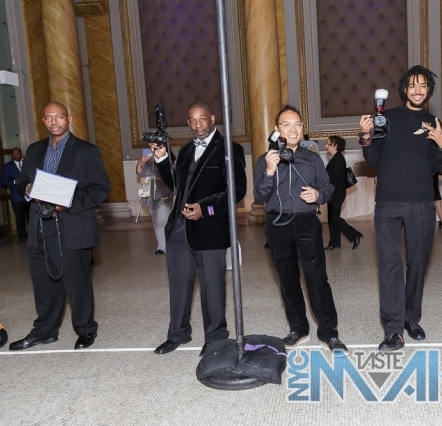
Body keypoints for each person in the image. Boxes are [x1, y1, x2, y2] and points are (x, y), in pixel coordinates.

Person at [358, 65, 442, 351]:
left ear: (429, 89)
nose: (418, 90)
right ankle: (393, 329)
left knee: (418, 263)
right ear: (404, 90)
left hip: (421, 201)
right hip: (388, 202)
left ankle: (411, 317)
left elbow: (432, 168)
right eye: (412, 85)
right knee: (390, 265)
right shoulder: (386, 118)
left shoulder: (433, 122)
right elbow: (373, 160)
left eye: (423, 85)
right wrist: (366, 136)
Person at [9, 102, 111, 351]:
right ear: (43, 121)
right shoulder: (34, 150)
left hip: (72, 226)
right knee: (43, 283)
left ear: (69, 119)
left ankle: (86, 329)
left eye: (59, 117)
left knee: (77, 282)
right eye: (48, 118)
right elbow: (22, 179)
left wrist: (69, 202)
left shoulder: (87, 151)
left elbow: (101, 188)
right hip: (39, 226)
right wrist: (28, 188)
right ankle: (45, 330)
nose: (54, 122)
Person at [152, 101, 246, 356]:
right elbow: (176, 185)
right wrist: (162, 159)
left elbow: (236, 190)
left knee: (212, 287)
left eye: (202, 119)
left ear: (212, 118)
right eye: (192, 121)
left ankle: (215, 337)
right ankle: (178, 333)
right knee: (179, 286)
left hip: (209, 228)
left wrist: (205, 208)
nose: (197, 125)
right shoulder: (184, 150)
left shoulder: (230, 149)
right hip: (178, 229)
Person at [253, 104, 348, 353]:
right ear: (277, 129)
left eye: (297, 124)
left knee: (317, 278)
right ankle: (298, 328)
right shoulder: (265, 160)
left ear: (302, 128)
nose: (293, 129)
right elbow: (260, 195)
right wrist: (270, 171)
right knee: (287, 279)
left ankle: (329, 332)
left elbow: (328, 188)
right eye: (286, 124)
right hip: (277, 225)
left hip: (307, 223)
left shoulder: (312, 158)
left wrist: (318, 195)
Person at [324, 135, 363, 250]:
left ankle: (354, 235)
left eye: (328, 144)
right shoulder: (335, 158)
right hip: (333, 192)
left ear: (335, 145)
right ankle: (335, 243)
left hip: (337, 192)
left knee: (334, 217)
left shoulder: (339, 159)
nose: (326, 146)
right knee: (332, 217)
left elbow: (333, 176)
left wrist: (322, 178)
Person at [136, 143, 174, 255]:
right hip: (150, 192)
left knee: (165, 220)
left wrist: (153, 178)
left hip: (163, 192)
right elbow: (138, 172)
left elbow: (170, 175)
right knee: (156, 221)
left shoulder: (166, 157)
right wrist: (140, 161)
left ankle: (167, 245)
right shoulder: (147, 157)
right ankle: (161, 246)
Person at [0, 148, 29, 243]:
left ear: (21, 154)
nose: (15, 155)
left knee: (31, 216)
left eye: (17, 153)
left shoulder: (27, 164)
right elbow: (3, 181)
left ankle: (34, 236)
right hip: (16, 197)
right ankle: (22, 236)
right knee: (19, 218)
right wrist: (14, 182)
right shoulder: (7, 166)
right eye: (13, 154)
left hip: (29, 196)